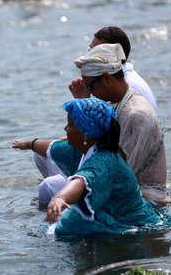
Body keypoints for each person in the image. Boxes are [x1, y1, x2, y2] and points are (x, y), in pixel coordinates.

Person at [19, 43, 167, 206]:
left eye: (90, 86)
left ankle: (54, 221)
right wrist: (84, 102)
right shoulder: (116, 102)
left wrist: (76, 187)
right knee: (42, 156)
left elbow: (120, 172)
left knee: (49, 187)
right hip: (111, 175)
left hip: (143, 197)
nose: (91, 91)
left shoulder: (135, 115)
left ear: (106, 78)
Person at [40, 98, 159, 236]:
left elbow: (82, 181)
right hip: (111, 214)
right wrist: (27, 144)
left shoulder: (104, 161)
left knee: (58, 230)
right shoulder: (87, 148)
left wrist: (60, 198)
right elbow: (54, 148)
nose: (65, 128)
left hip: (132, 224)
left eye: (70, 125)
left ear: (86, 133)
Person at [79, 26, 157, 112]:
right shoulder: (119, 80)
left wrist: (84, 101)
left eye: (97, 52)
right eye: (90, 50)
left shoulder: (127, 86)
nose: (91, 56)